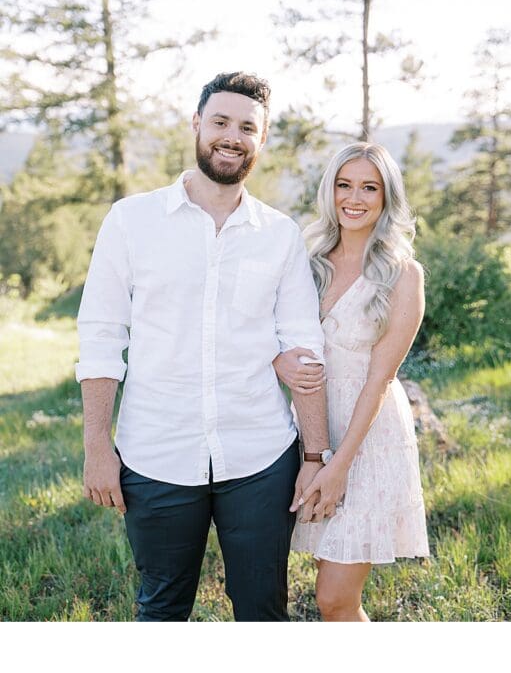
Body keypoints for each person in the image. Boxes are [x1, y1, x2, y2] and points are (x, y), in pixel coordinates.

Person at [77, 71, 330, 621]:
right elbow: (100, 337)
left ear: (261, 141)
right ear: (197, 124)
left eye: (247, 127)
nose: (231, 136)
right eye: (220, 121)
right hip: (155, 454)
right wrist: (98, 447)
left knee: (263, 611)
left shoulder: (280, 234)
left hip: (261, 456)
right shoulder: (131, 221)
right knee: (162, 609)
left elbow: (304, 347)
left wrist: (315, 456)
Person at [286, 142, 429, 622]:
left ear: (387, 198)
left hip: (367, 441)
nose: (355, 197)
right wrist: (313, 453)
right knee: (328, 597)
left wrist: (339, 464)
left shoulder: (403, 275)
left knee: (335, 598)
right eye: (344, 185)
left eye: (370, 187)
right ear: (330, 191)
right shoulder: (308, 264)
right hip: (305, 431)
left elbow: (380, 377)